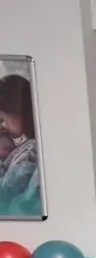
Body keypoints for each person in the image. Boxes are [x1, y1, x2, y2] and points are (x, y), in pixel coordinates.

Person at [0, 74, 41, 216]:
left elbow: (9, 193)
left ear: (18, 114)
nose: (2, 126)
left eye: (3, 119)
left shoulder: (32, 150)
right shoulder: (28, 148)